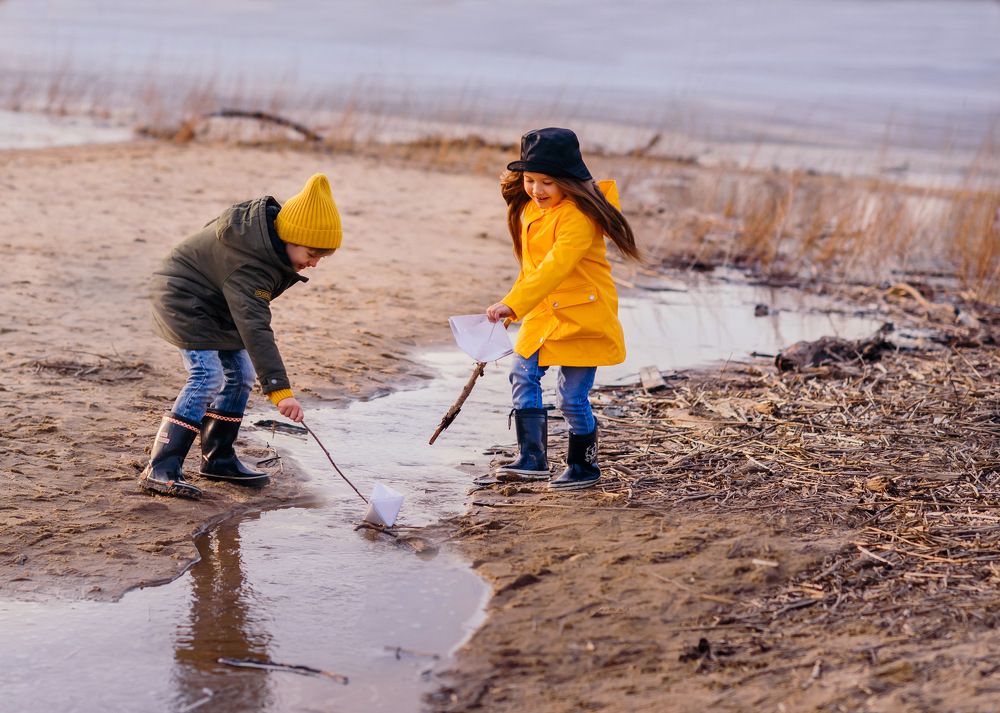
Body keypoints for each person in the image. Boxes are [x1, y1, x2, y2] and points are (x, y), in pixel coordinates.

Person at [140, 173, 342, 499]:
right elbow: (256, 327)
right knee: (207, 376)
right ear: (291, 237)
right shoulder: (250, 263)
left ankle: (218, 459)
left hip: (217, 304)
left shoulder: (266, 245)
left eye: (322, 257)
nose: (315, 263)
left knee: (242, 375)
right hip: (181, 299)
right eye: (312, 254)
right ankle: (160, 467)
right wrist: (280, 391)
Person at [486, 127, 640, 491]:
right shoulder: (530, 211)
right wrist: (514, 305)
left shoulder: (578, 217)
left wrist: (513, 304)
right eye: (530, 180)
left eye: (547, 183)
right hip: (544, 313)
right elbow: (533, 271)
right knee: (522, 373)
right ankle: (532, 457)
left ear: (568, 183)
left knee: (572, 396)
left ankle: (584, 466)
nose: (537, 190)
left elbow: (556, 266)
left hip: (583, 317)